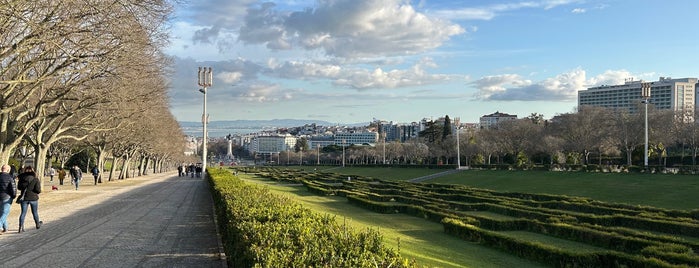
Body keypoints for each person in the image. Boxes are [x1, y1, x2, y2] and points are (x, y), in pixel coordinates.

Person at [17, 166, 42, 233]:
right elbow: (38, 190)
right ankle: (37, 224)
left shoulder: (21, 178)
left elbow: (19, 188)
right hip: (33, 198)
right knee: (35, 212)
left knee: (23, 213)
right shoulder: (35, 179)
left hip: (24, 198)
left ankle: (20, 226)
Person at [0, 164, 17, 234]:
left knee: (2, 213)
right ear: (8, 170)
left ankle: (5, 227)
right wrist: (14, 196)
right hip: (7, 197)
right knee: (5, 213)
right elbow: (13, 188)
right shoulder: (10, 177)